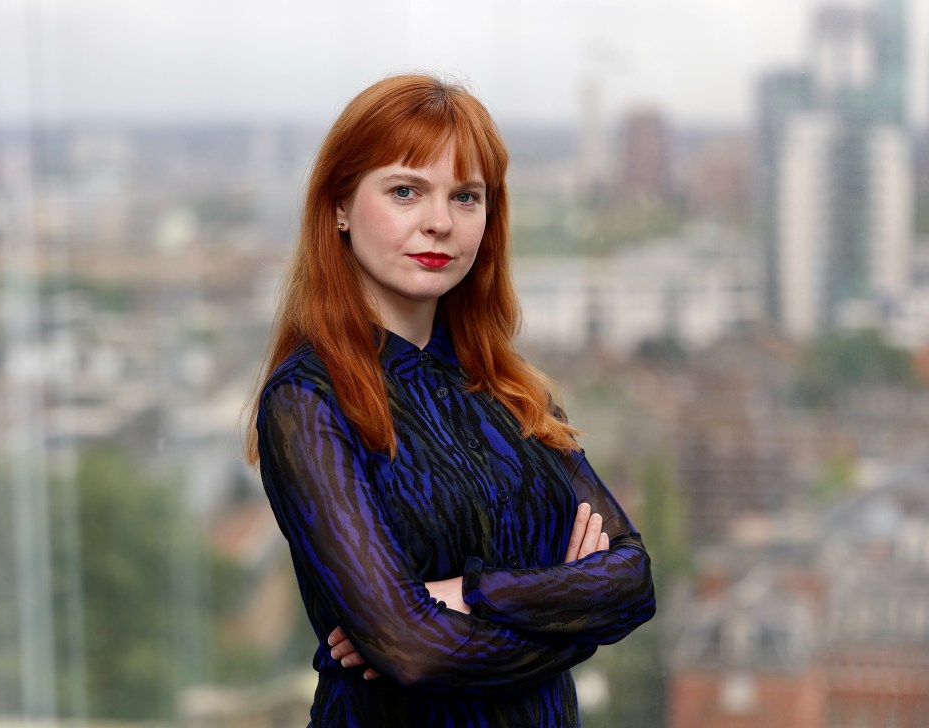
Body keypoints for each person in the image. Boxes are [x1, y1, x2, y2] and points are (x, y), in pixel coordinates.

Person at [244, 73, 655, 727]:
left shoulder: (515, 390)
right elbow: (415, 654)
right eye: (406, 191)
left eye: (466, 196)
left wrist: (468, 593)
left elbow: (632, 581)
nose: (439, 222)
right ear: (340, 207)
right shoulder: (306, 405)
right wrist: (574, 621)